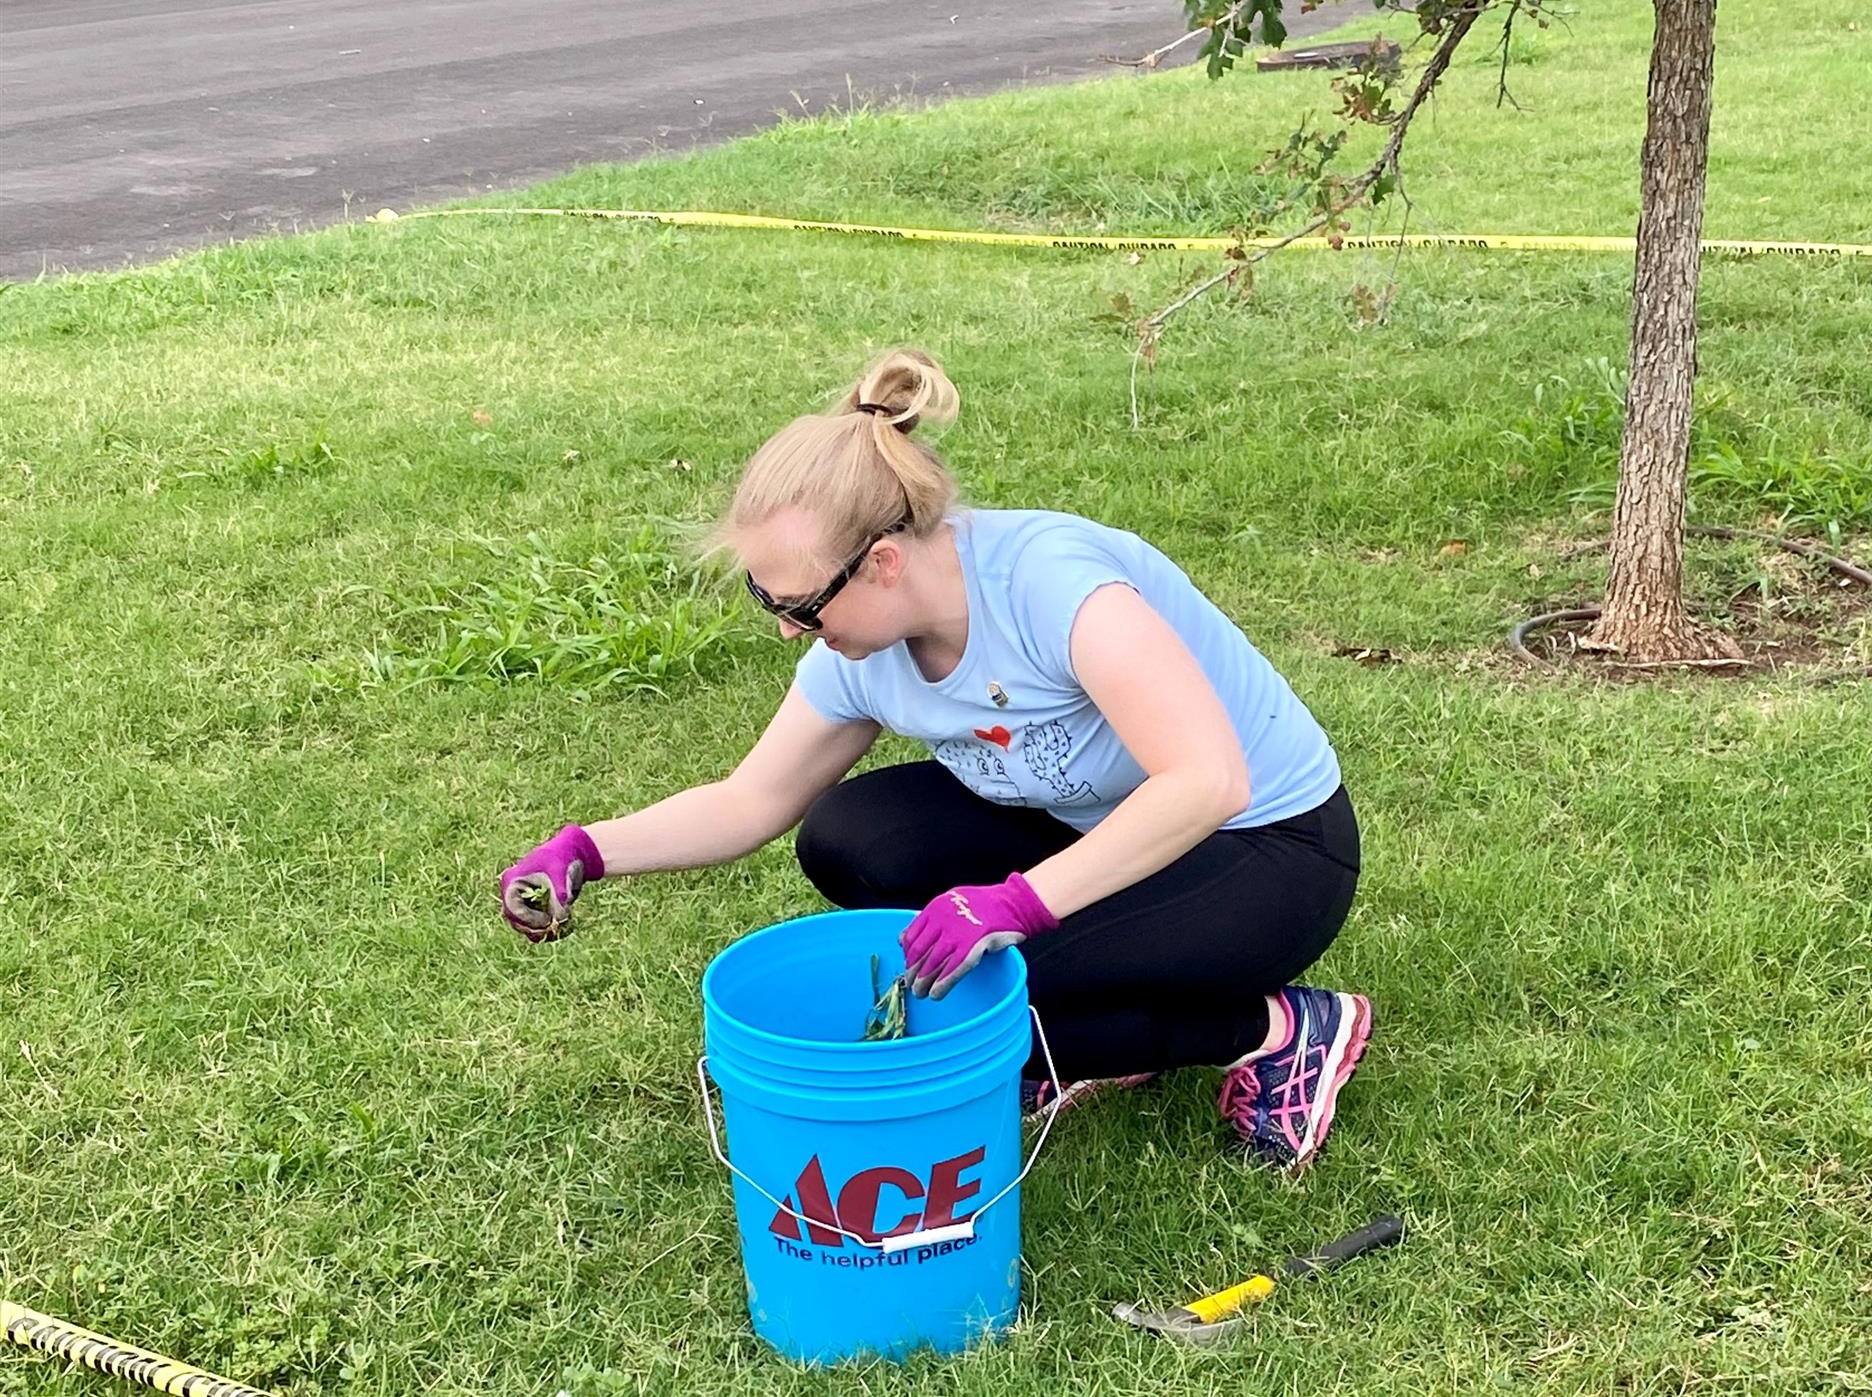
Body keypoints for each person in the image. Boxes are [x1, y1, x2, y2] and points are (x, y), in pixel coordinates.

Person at [500, 350, 1369, 1169]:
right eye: (767, 598)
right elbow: (749, 800)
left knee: (989, 1008)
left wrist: (1018, 902)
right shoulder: (863, 648)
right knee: (849, 834)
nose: (784, 626)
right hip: (1102, 822)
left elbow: (1208, 779)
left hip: (1271, 845)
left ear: (880, 563)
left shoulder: (1052, 585)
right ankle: (1110, 1000)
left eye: (797, 604)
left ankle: (1279, 1027)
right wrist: (587, 850)